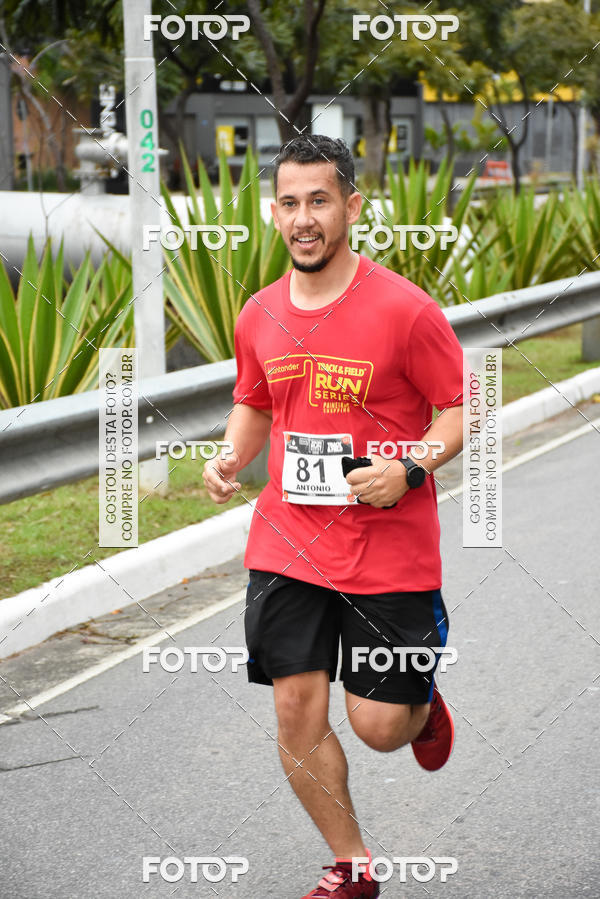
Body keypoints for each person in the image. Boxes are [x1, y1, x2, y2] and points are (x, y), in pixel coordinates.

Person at [203, 135, 465, 898]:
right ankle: (352, 867)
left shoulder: (404, 309)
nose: (303, 218)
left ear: (350, 206)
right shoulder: (258, 315)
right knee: (294, 705)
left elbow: (457, 406)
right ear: (274, 212)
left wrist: (410, 466)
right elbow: (254, 404)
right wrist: (228, 458)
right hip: (288, 541)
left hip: (388, 547)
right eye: (289, 202)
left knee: (381, 727)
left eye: (319, 200)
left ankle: (418, 704)